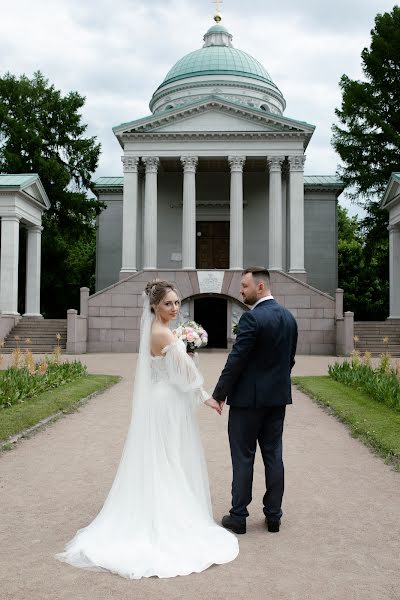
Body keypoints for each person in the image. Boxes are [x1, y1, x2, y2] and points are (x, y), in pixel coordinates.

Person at [56, 280, 238, 579]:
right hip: (168, 403)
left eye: (177, 302)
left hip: (161, 400)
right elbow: (185, 375)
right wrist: (205, 393)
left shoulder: (159, 330)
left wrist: (186, 351)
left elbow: (177, 370)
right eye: (169, 303)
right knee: (169, 459)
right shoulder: (163, 333)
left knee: (162, 457)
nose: (175, 308)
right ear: (155, 306)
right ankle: (169, 520)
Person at [211, 267, 298, 535]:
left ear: (260, 287)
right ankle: (273, 516)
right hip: (277, 400)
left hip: (248, 403)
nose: (241, 290)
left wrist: (219, 394)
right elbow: (289, 360)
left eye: (245, 286)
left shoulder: (252, 319)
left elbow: (236, 360)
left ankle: (238, 517)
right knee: (274, 455)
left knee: (243, 457)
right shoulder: (289, 318)